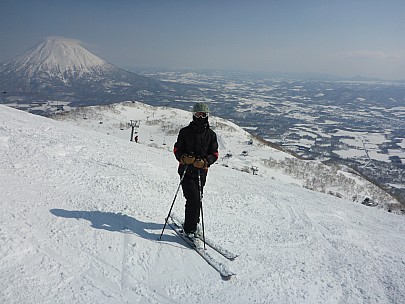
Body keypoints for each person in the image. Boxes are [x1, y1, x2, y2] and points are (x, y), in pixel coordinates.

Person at [173, 102, 219, 237]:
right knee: (193, 198)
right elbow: (177, 149)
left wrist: (205, 162)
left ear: (207, 116)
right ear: (193, 115)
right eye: (197, 114)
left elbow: (215, 154)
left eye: (203, 115)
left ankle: (193, 222)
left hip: (201, 172)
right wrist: (182, 158)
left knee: (197, 199)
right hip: (186, 171)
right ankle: (190, 229)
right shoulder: (185, 132)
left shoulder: (211, 135)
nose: (200, 117)